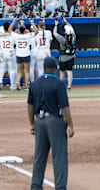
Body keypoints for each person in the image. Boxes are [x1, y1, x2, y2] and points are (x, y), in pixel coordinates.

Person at [27, 56, 74, 190]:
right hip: (55, 122)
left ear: (43, 68)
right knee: (59, 157)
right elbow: (64, 107)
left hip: (39, 121)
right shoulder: (58, 83)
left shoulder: (35, 83)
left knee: (39, 157)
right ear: (55, 69)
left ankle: (35, 186)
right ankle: (60, 187)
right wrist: (70, 124)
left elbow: (29, 106)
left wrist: (32, 123)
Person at [53, 18, 76, 90]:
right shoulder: (74, 37)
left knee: (62, 72)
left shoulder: (62, 39)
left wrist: (56, 25)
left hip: (63, 58)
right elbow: (71, 27)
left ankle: (61, 86)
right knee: (69, 71)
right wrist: (65, 21)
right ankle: (69, 86)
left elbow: (54, 33)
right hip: (71, 57)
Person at [0, 21, 18, 91]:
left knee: (1, 69)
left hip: (3, 52)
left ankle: (0, 81)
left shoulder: (0, 35)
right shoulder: (13, 35)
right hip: (11, 52)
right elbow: (16, 44)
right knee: (12, 70)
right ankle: (13, 85)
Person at [31, 18, 53, 83]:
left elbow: (35, 43)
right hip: (47, 52)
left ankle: (42, 82)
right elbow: (50, 42)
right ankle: (48, 82)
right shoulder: (48, 32)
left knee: (40, 69)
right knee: (48, 68)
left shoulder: (36, 34)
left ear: (38, 26)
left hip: (39, 52)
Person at [13, 20, 34, 90]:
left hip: (18, 54)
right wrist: (32, 24)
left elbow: (10, 30)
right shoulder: (28, 35)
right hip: (26, 53)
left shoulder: (16, 35)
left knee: (19, 70)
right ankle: (26, 85)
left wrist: (13, 22)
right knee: (26, 71)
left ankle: (18, 82)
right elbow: (36, 32)